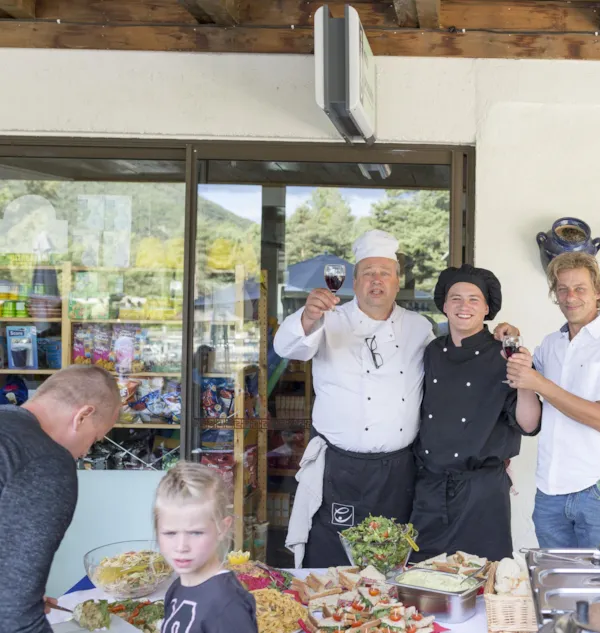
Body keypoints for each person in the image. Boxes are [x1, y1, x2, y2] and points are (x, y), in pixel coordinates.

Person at [275, 229, 517, 567]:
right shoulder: (329, 321)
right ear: (355, 281)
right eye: (368, 273)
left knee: (394, 563)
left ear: (397, 280)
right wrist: (307, 316)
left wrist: (502, 335)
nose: (377, 280)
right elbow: (288, 348)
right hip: (340, 470)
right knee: (331, 562)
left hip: (399, 471)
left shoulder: (419, 328)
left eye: (384, 273)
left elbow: (459, 373)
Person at [506, 252, 600, 549]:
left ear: (598, 291)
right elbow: (529, 415)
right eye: (562, 289)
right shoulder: (550, 345)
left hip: (599, 492)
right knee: (554, 591)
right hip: (549, 491)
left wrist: (540, 382)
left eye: (580, 288)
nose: (570, 297)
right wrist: (515, 348)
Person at [410, 265, 541, 562]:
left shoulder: (505, 353)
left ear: (487, 308)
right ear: (444, 305)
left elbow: (529, 424)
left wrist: (525, 379)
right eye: (455, 298)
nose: (463, 306)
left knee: (485, 580)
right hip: (430, 486)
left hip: (482, 493)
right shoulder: (431, 352)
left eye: (473, 299)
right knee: (423, 577)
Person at [0, 365, 121, 633]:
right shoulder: (46, 462)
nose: (84, 452)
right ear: (83, 415)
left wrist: (21, 594)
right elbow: (14, 618)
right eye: (93, 439)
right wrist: (22, 602)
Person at [155, 462, 257, 633]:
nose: (181, 547)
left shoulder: (228, 605)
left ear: (222, 528)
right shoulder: (176, 588)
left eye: (196, 533)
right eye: (170, 533)